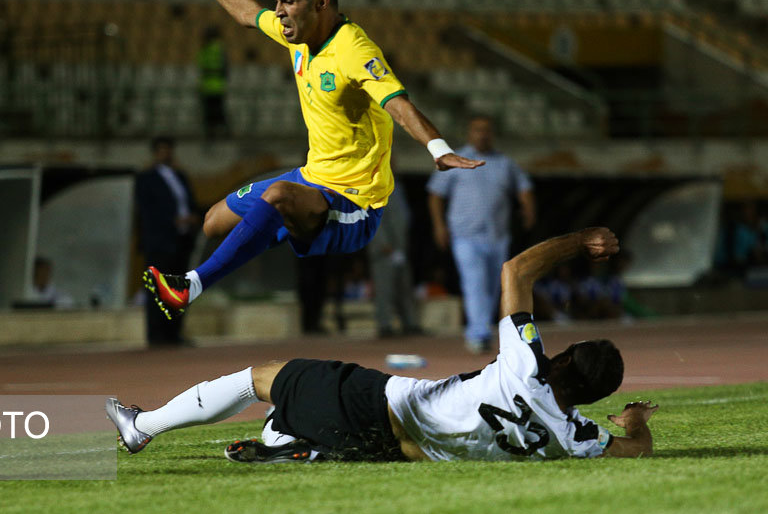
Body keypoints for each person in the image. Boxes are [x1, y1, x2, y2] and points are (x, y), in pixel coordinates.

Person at [107, 227, 658, 463]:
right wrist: (634, 421)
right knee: (287, 418)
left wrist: (580, 241)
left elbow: (517, 270)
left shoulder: (525, 366)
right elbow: (634, 451)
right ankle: (295, 446)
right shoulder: (572, 437)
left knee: (267, 377)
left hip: (381, 403)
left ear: (561, 358)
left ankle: (143, 427)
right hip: (396, 452)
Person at [143, 0, 484, 321]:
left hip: (356, 202)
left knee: (277, 196)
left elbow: (398, 105)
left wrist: (438, 148)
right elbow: (246, 14)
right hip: (313, 178)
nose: (278, 12)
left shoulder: (354, 50)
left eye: (288, 1)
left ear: (321, 3)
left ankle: (190, 286)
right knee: (213, 221)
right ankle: (282, 220)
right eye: (277, 1)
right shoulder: (296, 35)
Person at [428, 115, 535, 353]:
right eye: (477, 130)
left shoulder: (505, 163)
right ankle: (478, 333)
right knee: (474, 282)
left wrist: (528, 209)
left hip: (497, 234)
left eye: (486, 130)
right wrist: (439, 226)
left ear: (492, 134)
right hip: (465, 234)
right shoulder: (456, 160)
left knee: (493, 287)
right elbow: (435, 194)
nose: (482, 134)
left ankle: (482, 327)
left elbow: (524, 187)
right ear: (469, 133)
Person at [135, 136, 201, 346]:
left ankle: (174, 333)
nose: (166, 153)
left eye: (169, 149)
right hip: (160, 241)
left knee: (179, 287)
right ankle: (156, 335)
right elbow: (146, 211)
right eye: (162, 150)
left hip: (181, 239)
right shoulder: (147, 178)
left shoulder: (180, 176)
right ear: (155, 152)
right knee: (157, 287)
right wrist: (172, 221)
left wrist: (191, 217)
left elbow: (190, 202)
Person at [367, 182, 421, 338]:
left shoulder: (397, 186)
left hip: (400, 246)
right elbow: (372, 216)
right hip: (385, 248)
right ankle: (384, 325)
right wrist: (382, 243)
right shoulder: (375, 186)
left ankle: (409, 323)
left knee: (404, 287)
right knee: (384, 288)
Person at [197, 25, 228, 140]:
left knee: (217, 111)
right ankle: (212, 134)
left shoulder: (216, 48)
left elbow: (223, 66)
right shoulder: (205, 48)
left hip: (216, 84)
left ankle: (221, 133)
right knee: (209, 112)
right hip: (207, 85)